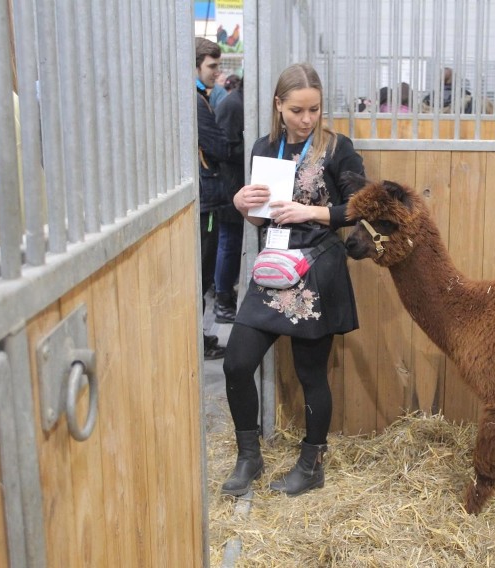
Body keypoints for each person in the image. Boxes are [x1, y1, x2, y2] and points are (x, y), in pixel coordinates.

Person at [220, 63, 365, 498]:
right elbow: (258, 216)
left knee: (310, 372)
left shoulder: (338, 148)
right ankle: (249, 456)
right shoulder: (264, 147)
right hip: (273, 266)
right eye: (298, 110)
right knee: (236, 363)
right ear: (278, 106)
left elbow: (362, 206)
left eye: (314, 110)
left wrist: (313, 212)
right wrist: (240, 203)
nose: (307, 119)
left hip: (318, 269)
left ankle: (311, 463)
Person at [195, 37, 232, 360]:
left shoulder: (200, 98)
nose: (216, 72)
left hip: (205, 194)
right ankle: (198, 339)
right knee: (202, 274)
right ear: (195, 65)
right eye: (212, 66)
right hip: (205, 199)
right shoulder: (195, 102)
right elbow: (219, 146)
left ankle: (199, 336)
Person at [212, 76, 245, 323]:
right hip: (229, 184)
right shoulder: (233, 105)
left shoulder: (236, 102)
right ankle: (222, 300)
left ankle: (225, 296)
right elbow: (223, 148)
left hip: (234, 183)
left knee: (230, 242)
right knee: (229, 242)